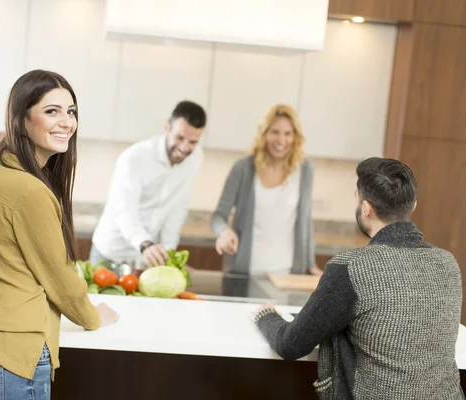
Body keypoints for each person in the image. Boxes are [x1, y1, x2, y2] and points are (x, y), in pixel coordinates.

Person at [0, 70, 119, 400]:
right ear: (21, 118)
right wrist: (94, 316)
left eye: (71, 112)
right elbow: (62, 281)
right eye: (51, 111)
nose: (66, 122)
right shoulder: (28, 190)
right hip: (8, 363)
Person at [254, 157, 464, 399]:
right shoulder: (447, 263)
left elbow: (290, 344)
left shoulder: (351, 267)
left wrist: (266, 316)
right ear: (413, 205)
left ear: (366, 209)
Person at [90, 100, 206, 267]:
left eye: (193, 142)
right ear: (167, 127)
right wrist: (144, 243)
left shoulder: (195, 159)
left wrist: (168, 252)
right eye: (179, 137)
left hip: (146, 258)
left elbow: (177, 208)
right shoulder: (135, 158)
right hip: (112, 252)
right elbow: (124, 209)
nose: (184, 147)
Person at [211, 104, 320, 276]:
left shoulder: (305, 170)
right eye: (274, 132)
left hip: (287, 272)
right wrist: (224, 232)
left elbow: (306, 222)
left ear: (295, 137)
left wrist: (310, 264)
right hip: (246, 269)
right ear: (264, 134)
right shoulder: (243, 168)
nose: (281, 140)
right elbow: (218, 217)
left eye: (287, 134)